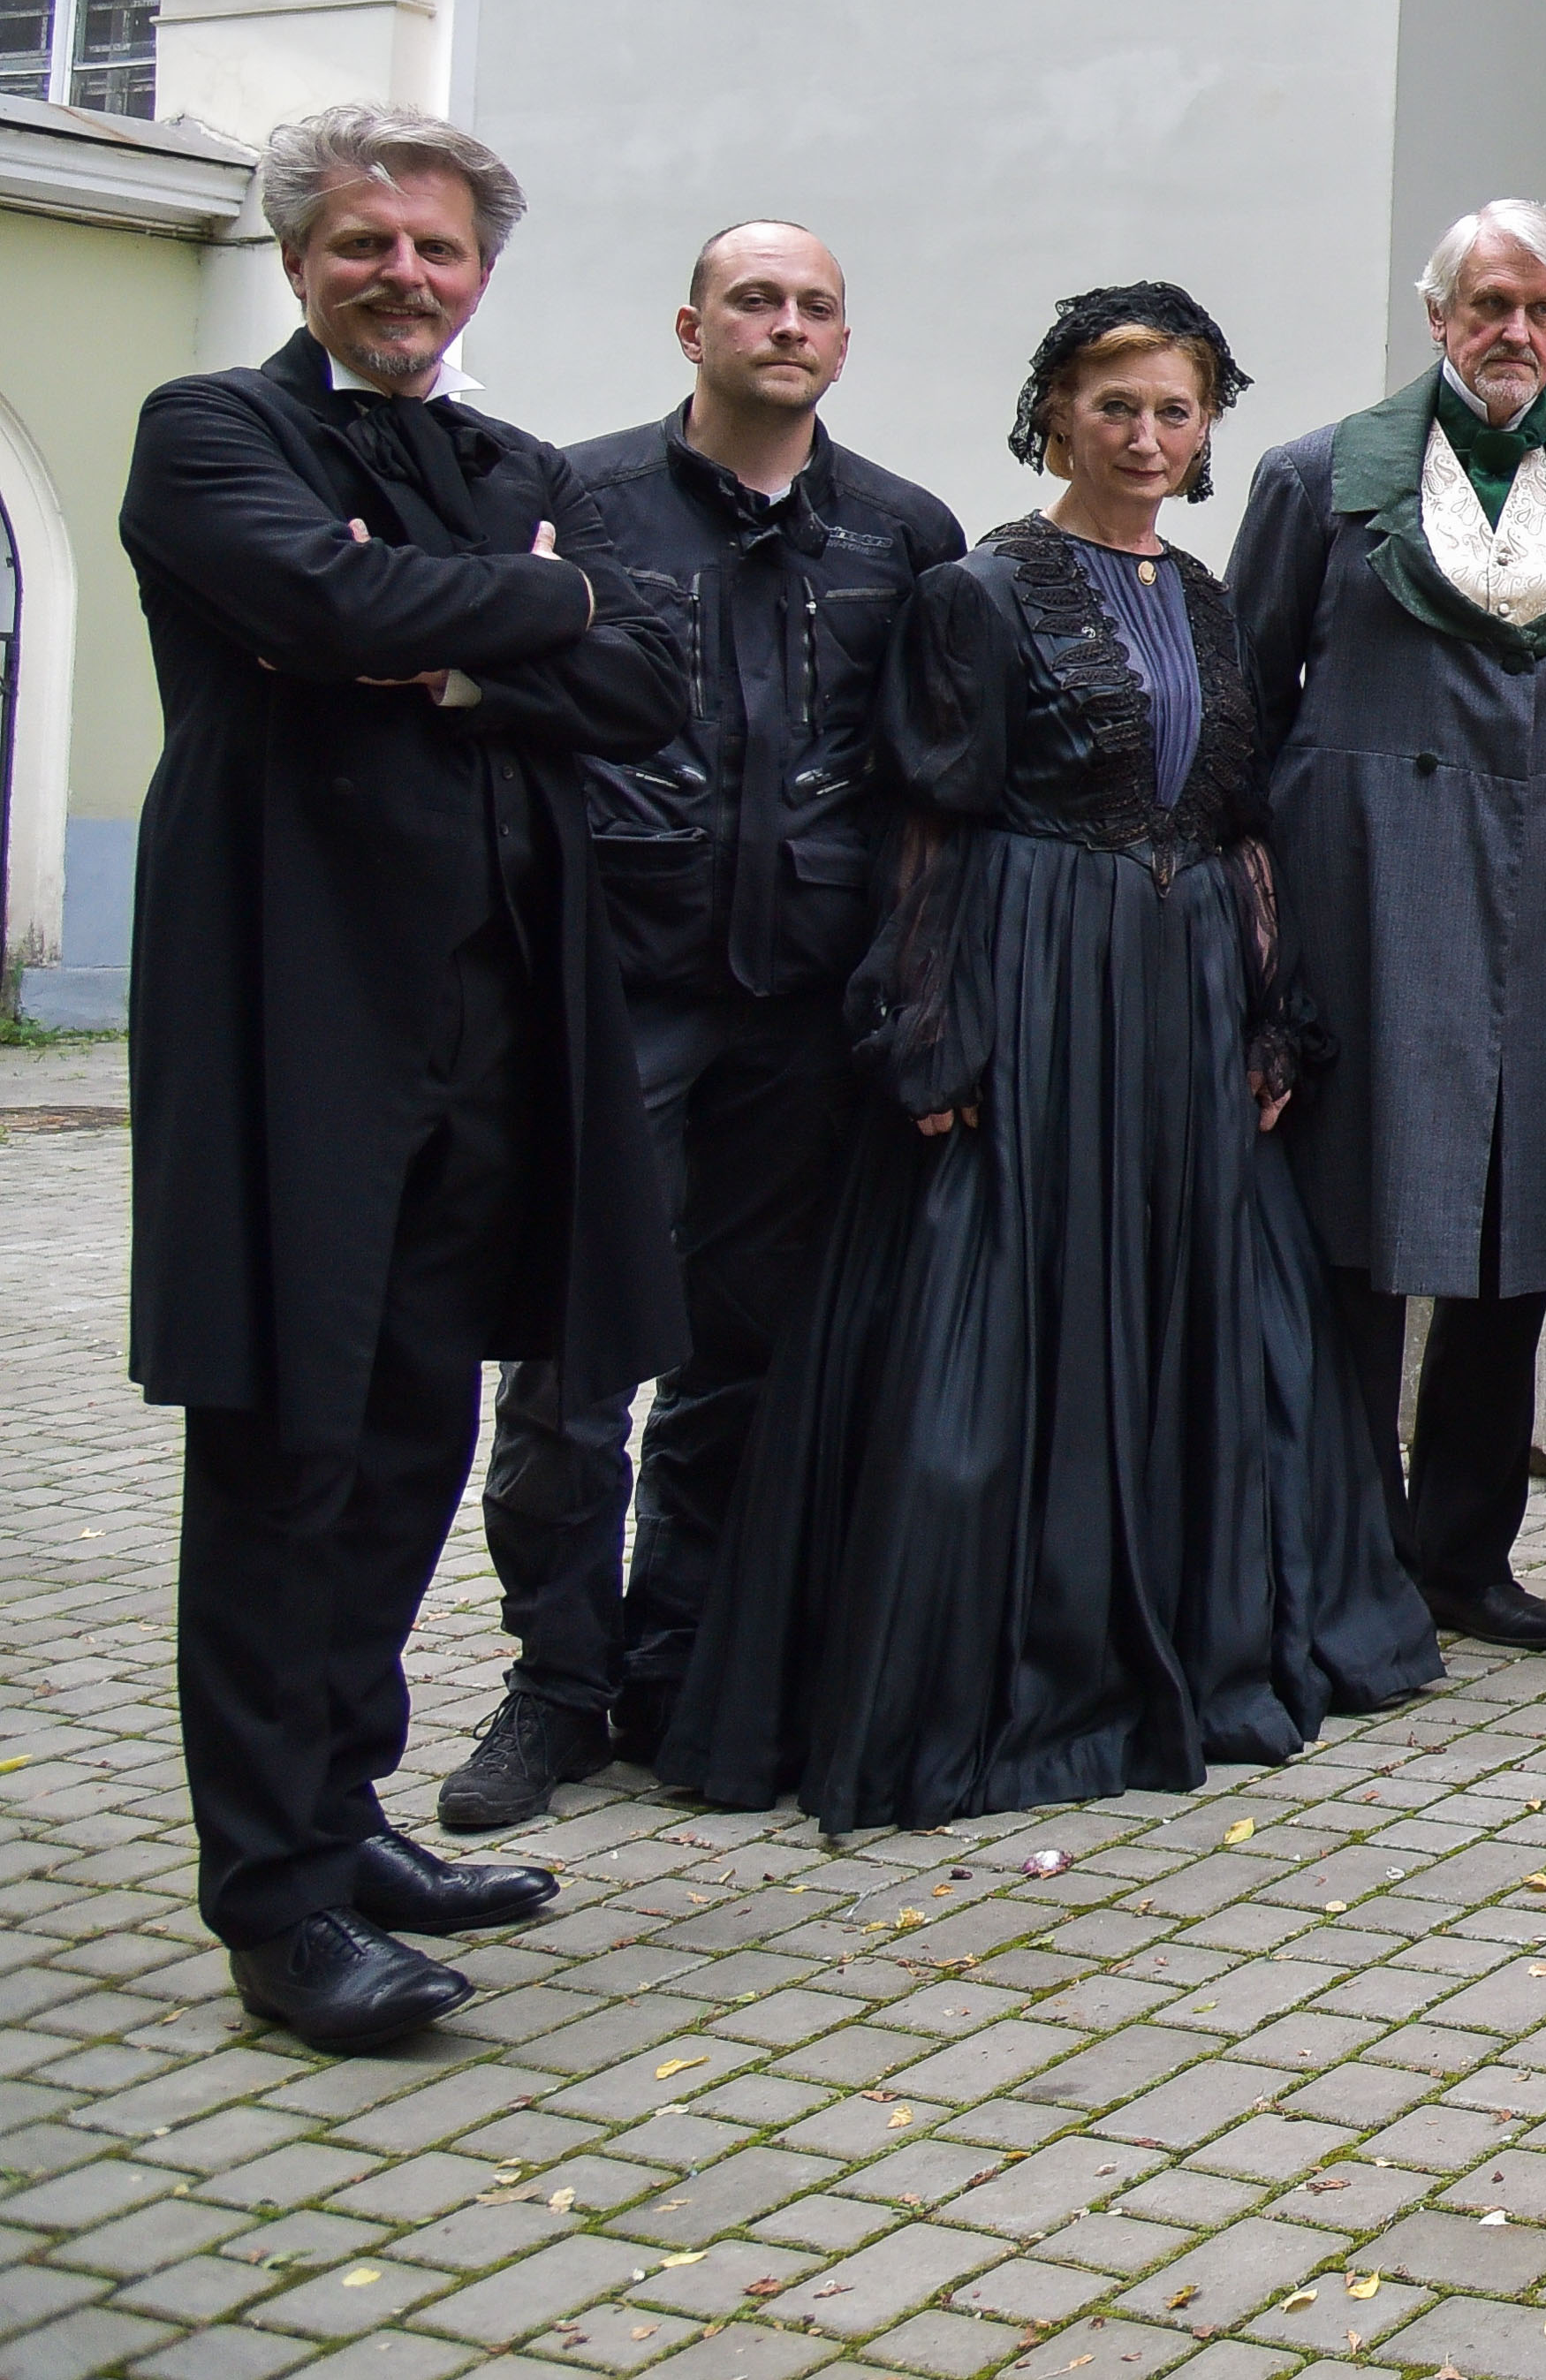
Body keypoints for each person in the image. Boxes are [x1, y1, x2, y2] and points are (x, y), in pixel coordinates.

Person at [663, 286, 1438, 1830]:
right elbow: (930, 820)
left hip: (1186, 985)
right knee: (1000, 1306)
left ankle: (1203, 1635)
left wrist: (1271, 1010)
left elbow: (1238, 817)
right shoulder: (978, 588)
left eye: (1175, 410)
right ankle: (1020, 1660)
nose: (1146, 437)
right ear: (1057, 417)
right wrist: (928, 1027)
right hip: (1035, 969)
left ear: (1207, 429)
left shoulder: (1209, 597)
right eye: (1115, 407)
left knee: (1211, 1311)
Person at [119, 106, 686, 2052]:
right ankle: (273, 1898)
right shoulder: (210, 429)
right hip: (299, 1006)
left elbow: (643, 680)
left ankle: (346, 1811)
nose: (404, 274)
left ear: (481, 272)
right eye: (366, 242)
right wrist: (522, 611)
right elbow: (317, 605)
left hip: (498, 1018)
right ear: (300, 258)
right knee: (287, 1446)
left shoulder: (518, 467)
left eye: (438, 248)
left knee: (414, 1428)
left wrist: (454, 637)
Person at [436, 223, 963, 1834]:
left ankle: (682, 1660)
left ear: (844, 340)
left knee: (748, 1353)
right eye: (755, 299)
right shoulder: (580, 500)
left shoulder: (902, 530)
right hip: (618, 992)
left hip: (806, 1010)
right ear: (692, 326)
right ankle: (555, 1677)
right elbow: (510, 722)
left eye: (814, 305)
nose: (785, 324)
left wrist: (914, 990)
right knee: (571, 1355)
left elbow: (921, 782)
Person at [1232, 200, 1546, 1654]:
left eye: (1542, 308)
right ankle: (1348, 1557)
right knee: (1355, 1236)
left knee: (1515, 1234)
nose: (1514, 331)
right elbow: (1244, 709)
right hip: (1362, 896)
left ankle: (1465, 1555)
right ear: (1438, 317)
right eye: (1488, 304)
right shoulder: (1316, 478)